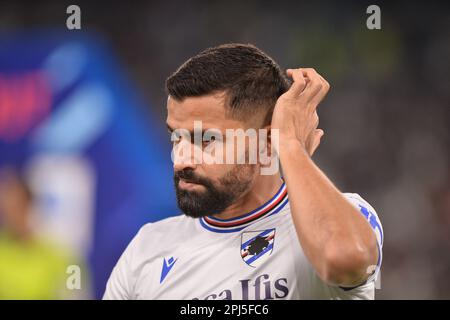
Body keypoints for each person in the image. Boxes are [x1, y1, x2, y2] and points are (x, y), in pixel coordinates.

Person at [103, 43, 383, 300]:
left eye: (206, 140)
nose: (181, 160)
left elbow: (343, 260)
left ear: (266, 141)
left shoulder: (345, 218)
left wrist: (290, 146)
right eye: (176, 137)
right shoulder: (147, 248)